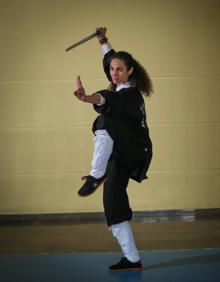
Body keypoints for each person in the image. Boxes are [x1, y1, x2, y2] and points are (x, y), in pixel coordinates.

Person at [73, 27, 153, 272]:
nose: (114, 72)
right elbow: (110, 57)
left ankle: (96, 174)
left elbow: (107, 100)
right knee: (112, 201)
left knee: (105, 120)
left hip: (134, 150)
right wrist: (103, 41)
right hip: (121, 148)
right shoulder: (119, 81)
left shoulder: (129, 95)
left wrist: (88, 98)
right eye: (112, 69)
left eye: (119, 69)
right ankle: (132, 258)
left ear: (130, 71)